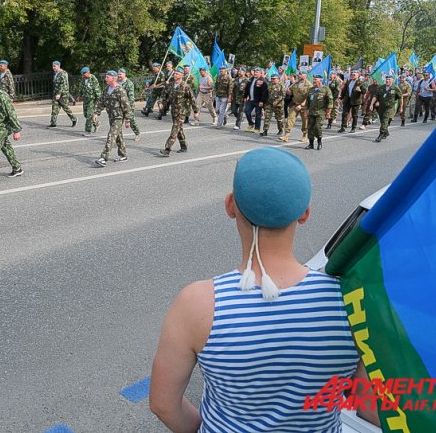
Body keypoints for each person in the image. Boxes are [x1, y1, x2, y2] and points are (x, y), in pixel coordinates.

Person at [150, 147, 367, 433]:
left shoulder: (197, 304)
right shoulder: (350, 301)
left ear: (230, 206)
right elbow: (367, 404)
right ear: (304, 214)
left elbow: (163, 403)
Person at [93, 70, 133, 166]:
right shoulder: (106, 89)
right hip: (111, 116)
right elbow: (101, 102)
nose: (105, 79)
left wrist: (128, 119)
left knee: (111, 136)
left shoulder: (120, 90)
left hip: (118, 117)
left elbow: (126, 106)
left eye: (107, 77)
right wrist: (96, 113)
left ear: (113, 78)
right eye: (106, 77)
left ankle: (103, 158)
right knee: (118, 136)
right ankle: (123, 155)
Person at [159, 67, 199, 157]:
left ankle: (167, 149)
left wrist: (196, 111)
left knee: (175, 129)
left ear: (181, 75)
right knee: (179, 129)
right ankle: (184, 146)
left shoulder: (185, 86)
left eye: (177, 73)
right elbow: (163, 95)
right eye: (174, 73)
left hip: (182, 112)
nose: (174, 75)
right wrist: (160, 102)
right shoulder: (170, 85)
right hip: (173, 111)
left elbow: (192, 99)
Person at [279, 72, 309, 142]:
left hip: (304, 106)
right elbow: (290, 91)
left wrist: (301, 105)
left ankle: (305, 135)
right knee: (290, 119)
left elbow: (308, 97)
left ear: (305, 76)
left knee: (305, 121)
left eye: (301, 75)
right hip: (294, 103)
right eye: (299, 74)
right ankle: (286, 135)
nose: (299, 76)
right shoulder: (295, 83)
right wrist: (288, 91)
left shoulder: (308, 85)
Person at [305, 74, 332, 150]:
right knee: (310, 128)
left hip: (321, 112)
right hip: (311, 112)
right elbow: (307, 102)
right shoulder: (311, 90)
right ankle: (311, 144)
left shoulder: (326, 89)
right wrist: (306, 111)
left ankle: (319, 142)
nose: (314, 81)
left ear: (320, 80)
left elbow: (330, 102)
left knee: (317, 127)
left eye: (316, 79)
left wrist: (328, 113)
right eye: (314, 79)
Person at [48, 61, 77, 127]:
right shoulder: (56, 73)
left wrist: (59, 93)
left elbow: (63, 84)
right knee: (54, 108)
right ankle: (53, 123)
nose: (53, 68)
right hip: (56, 94)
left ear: (58, 66)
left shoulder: (63, 73)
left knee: (65, 107)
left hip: (63, 94)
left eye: (54, 66)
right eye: (53, 66)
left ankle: (74, 119)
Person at [374, 74, 400, 143]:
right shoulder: (381, 87)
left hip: (390, 107)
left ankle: (381, 134)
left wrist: (401, 107)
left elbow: (400, 97)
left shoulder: (395, 88)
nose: (387, 80)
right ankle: (386, 132)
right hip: (382, 106)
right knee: (382, 120)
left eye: (389, 79)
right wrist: (371, 104)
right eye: (386, 79)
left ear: (392, 80)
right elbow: (376, 96)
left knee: (385, 119)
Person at [118, 69, 141, 141]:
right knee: (117, 121)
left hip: (127, 105)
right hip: (118, 106)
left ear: (124, 74)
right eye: (118, 74)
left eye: (120, 74)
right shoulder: (117, 82)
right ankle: (117, 136)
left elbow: (131, 98)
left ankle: (137, 133)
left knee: (131, 121)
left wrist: (129, 110)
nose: (119, 76)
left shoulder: (129, 83)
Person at [79, 66, 102, 136]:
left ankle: (88, 131)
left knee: (89, 115)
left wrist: (98, 100)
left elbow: (97, 90)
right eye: (82, 74)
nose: (82, 75)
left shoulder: (93, 79)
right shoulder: (83, 79)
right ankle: (96, 123)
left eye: (84, 74)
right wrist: (80, 95)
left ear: (88, 72)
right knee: (86, 114)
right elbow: (81, 87)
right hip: (86, 99)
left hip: (92, 100)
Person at [261, 73, 284, 137]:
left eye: (274, 79)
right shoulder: (269, 85)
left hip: (279, 105)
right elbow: (265, 93)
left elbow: (283, 95)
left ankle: (280, 129)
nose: (272, 80)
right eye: (272, 79)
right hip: (269, 104)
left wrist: (277, 101)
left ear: (278, 79)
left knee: (279, 119)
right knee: (267, 117)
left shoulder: (281, 85)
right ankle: (265, 131)